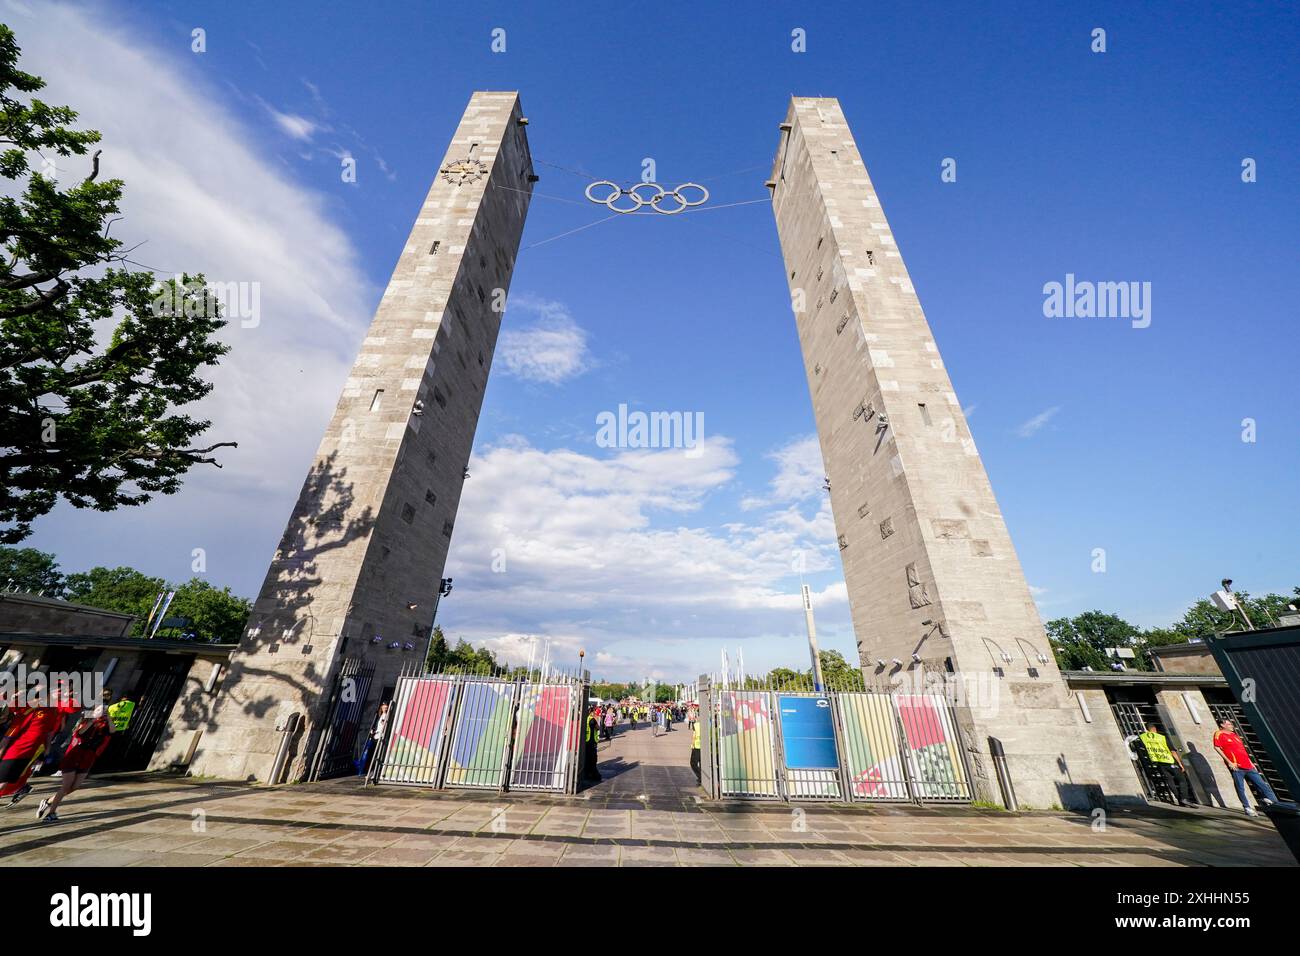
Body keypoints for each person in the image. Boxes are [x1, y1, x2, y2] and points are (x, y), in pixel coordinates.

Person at [37, 690, 115, 823]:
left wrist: (107, 717)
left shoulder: (107, 716)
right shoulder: (87, 714)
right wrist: (93, 720)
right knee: (66, 786)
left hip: (89, 754)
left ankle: (47, 801)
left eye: (107, 696)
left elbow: (112, 731)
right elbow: (79, 733)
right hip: (76, 751)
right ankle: (51, 813)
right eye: (103, 695)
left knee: (75, 786)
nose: (104, 699)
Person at [1213, 718, 1278, 816]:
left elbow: (1242, 750)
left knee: (1263, 785)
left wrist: (1251, 763)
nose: (1232, 726)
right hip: (1236, 767)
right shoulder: (1219, 734)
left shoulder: (1235, 735)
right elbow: (1216, 747)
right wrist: (1229, 762)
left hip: (1248, 765)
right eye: (1229, 724)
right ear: (1222, 725)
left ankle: (1276, 805)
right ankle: (1247, 807)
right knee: (1240, 788)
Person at [1138, 723, 1194, 807]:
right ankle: (1184, 798)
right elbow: (1173, 751)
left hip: (1159, 762)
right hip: (1170, 761)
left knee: (1169, 781)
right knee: (1182, 780)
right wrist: (1180, 763)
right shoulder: (1162, 738)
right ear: (1155, 729)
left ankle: (1179, 799)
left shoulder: (1143, 738)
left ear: (1147, 729)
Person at [357, 702, 390, 777]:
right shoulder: (380, 716)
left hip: (380, 737)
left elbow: (383, 726)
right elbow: (379, 726)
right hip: (376, 737)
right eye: (384, 706)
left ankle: (374, 772)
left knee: (376, 755)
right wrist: (374, 731)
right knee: (371, 754)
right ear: (381, 707)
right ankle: (370, 771)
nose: (385, 707)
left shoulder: (385, 715)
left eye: (386, 706)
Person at [582, 708, 601, 783]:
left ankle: (586, 773)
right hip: (592, 741)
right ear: (591, 712)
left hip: (586, 741)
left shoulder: (585, 720)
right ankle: (593, 774)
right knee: (593, 759)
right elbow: (598, 728)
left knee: (586, 758)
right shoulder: (592, 720)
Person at [690, 717, 702, 784]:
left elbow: (694, 736)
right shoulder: (709, 724)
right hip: (705, 746)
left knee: (693, 763)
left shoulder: (696, 725)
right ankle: (702, 778)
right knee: (702, 763)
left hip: (697, 746)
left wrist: (692, 744)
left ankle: (700, 777)